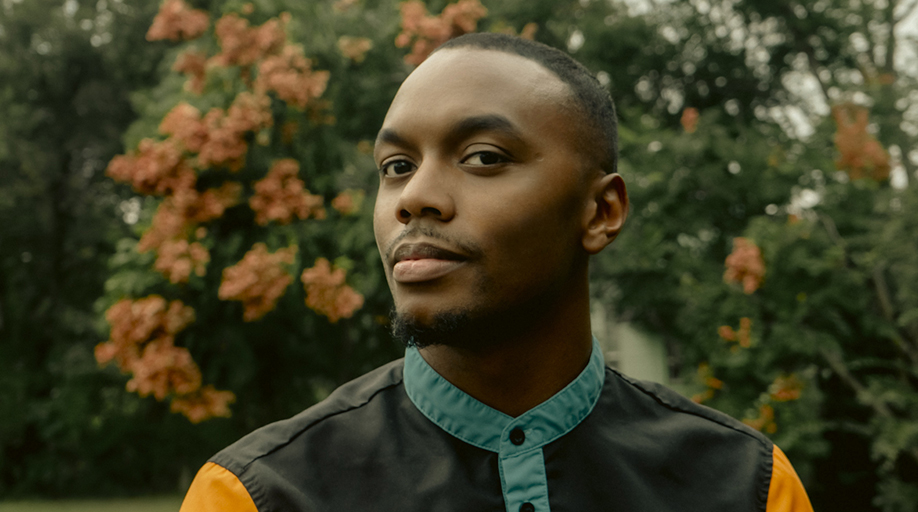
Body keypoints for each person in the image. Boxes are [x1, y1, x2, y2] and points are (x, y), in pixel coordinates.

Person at [180, 33, 814, 512]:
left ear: (601, 211)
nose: (414, 197)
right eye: (396, 166)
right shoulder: (255, 498)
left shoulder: (748, 488)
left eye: (483, 157)